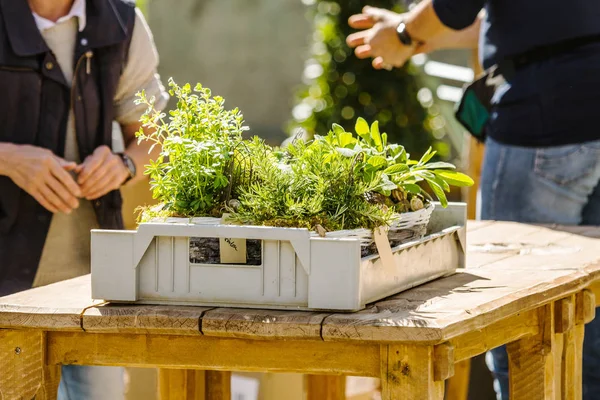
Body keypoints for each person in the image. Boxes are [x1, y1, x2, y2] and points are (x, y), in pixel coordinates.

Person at [346, 1, 600, 399]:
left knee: (521, 334)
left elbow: (456, 7)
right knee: (592, 329)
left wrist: (403, 34)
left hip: (543, 123)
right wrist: (408, 28)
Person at [0, 0, 168, 398]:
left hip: (95, 290)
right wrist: (10, 159)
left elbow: (153, 139)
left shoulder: (122, 21)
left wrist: (124, 163)